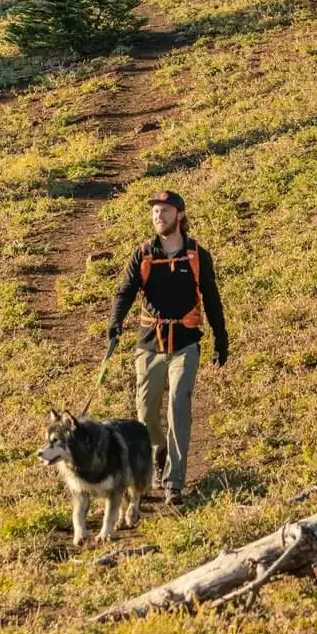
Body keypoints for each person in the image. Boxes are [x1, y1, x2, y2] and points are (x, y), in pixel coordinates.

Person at [107, 189, 228, 507]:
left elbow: (212, 298)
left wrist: (221, 336)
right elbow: (125, 292)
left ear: (180, 215)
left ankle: (174, 482)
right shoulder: (144, 253)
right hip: (149, 345)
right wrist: (115, 322)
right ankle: (158, 452)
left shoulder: (197, 255)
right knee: (146, 413)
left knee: (178, 405)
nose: (158, 215)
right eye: (155, 211)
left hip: (186, 343)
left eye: (164, 210)